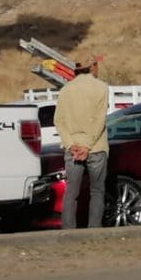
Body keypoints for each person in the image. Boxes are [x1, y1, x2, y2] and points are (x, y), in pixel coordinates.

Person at [54, 56, 109, 229]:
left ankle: (68, 230)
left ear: (75, 70)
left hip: (73, 149)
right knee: (97, 191)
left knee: (71, 193)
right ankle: (94, 229)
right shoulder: (101, 88)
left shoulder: (65, 90)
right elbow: (100, 119)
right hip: (96, 147)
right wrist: (88, 146)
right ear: (92, 67)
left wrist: (71, 145)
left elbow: (59, 121)